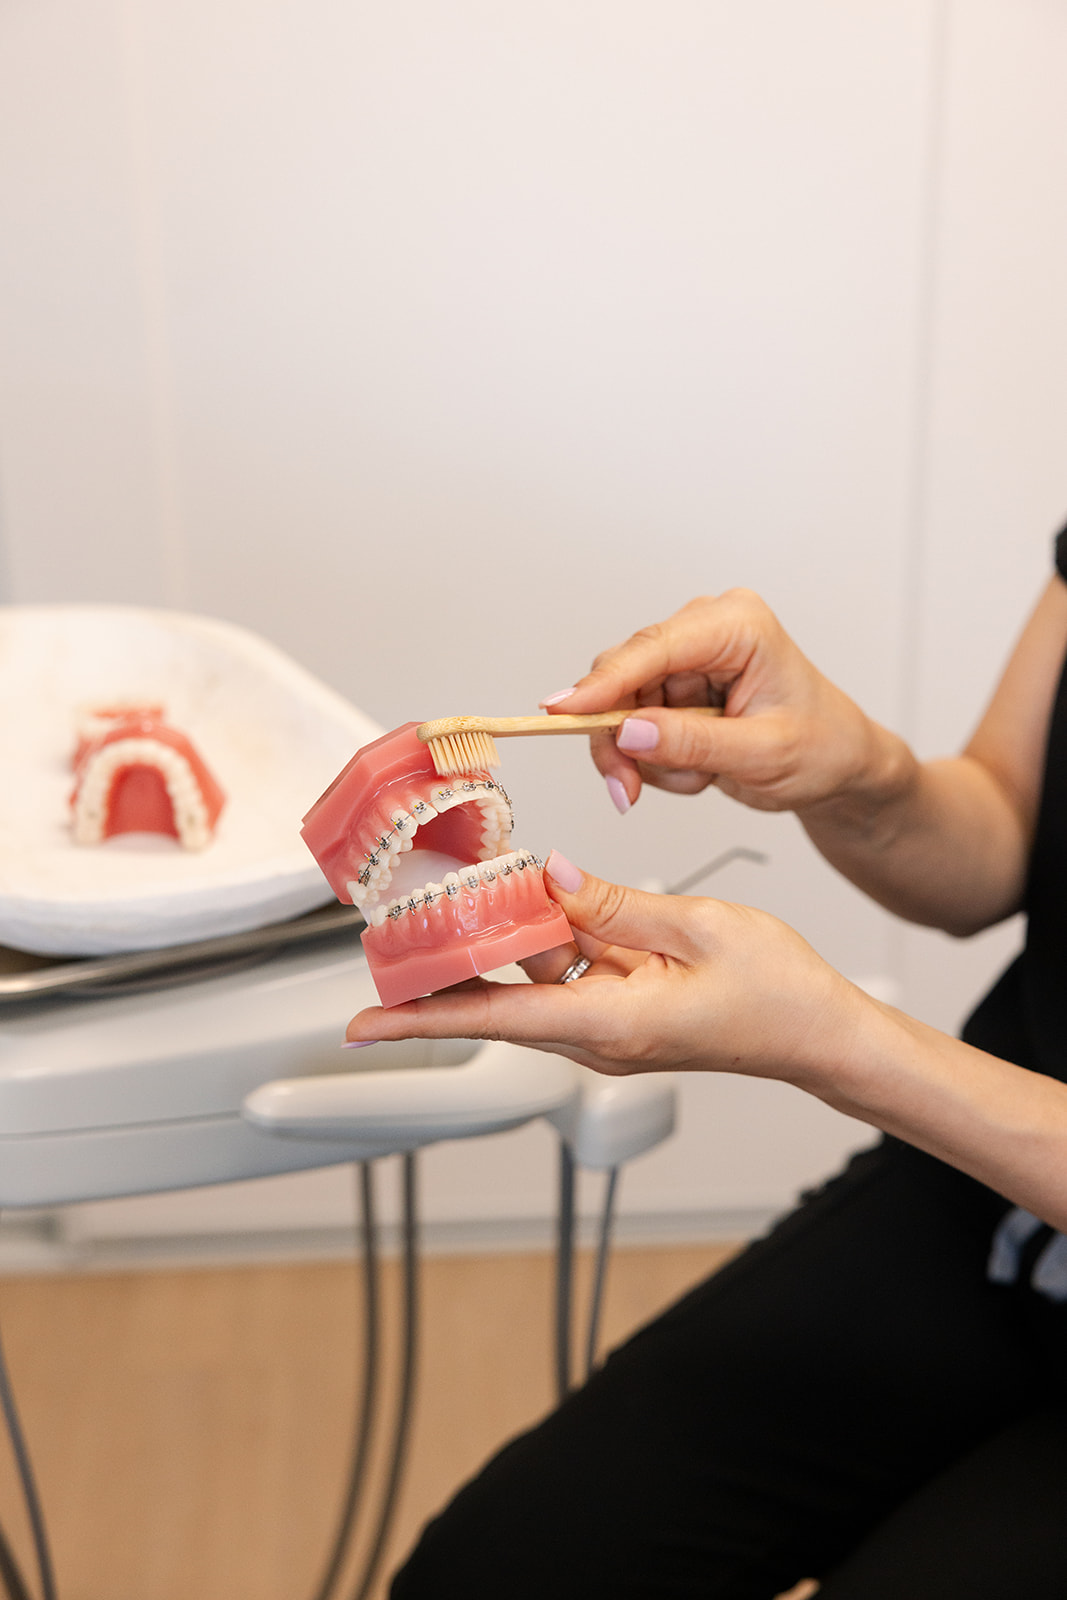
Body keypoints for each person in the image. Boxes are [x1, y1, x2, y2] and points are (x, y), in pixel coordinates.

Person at [351, 531, 1067, 1599]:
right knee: (500, 1568)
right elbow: (1011, 829)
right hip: (992, 1202)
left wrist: (832, 1042)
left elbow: (841, 1041)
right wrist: (853, 770)